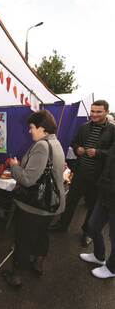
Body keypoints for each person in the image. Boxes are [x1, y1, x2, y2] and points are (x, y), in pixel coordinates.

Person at [2, 110, 65, 287]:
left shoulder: (41, 146)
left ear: (42, 128)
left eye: (31, 127)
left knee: (23, 238)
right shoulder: (55, 142)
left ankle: (16, 276)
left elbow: (28, 180)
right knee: (41, 235)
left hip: (37, 204)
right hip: (51, 204)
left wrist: (14, 167)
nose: (29, 131)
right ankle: (38, 263)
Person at [50, 100, 115, 247]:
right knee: (70, 201)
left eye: (98, 111)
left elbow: (113, 153)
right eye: (92, 111)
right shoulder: (84, 127)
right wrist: (77, 148)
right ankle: (62, 225)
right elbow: (74, 142)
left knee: (92, 206)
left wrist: (98, 152)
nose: (94, 114)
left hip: (98, 177)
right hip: (80, 173)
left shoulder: (112, 130)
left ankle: (87, 232)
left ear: (106, 112)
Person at [79, 142, 115, 278]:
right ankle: (99, 256)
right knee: (93, 225)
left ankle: (112, 268)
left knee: (114, 236)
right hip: (106, 191)